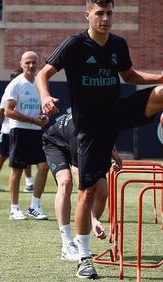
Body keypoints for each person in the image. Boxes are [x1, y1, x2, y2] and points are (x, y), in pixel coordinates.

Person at [36, 0, 163, 279]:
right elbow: (42, 74)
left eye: (109, 13)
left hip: (117, 111)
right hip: (89, 127)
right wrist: (45, 96)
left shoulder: (118, 44)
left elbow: (130, 76)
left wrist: (159, 78)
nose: (106, 18)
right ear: (88, 15)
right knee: (86, 192)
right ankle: (83, 256)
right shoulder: (74, 45)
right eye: (100, 13)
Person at [43, 112, 122, 261]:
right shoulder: (79, 131)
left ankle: (80, 238)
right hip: (55, 143)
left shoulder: (105, 119)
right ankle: (67, 245)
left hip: (86, 142)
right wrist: (92, 218)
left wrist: (112, 149)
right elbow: (81, 182)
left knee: (103, 190)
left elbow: (107, 131)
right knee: (65, 182)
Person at [4, 51, 49, 220]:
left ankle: (34, 206)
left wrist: (44, 117)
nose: (31, 65)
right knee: (17, 170)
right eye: (27, 62)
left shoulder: (39, 83)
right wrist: (32, 120)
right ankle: (14, 208)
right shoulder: (16, 84)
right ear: (21, 64)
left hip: (36, 131)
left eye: (33, 62)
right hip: (19, 131)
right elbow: (8, 111)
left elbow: (41, 108)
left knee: (44, 167)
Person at [0, 68, 34, 192]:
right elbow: (1, 112)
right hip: (9, 131)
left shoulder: (26, 89)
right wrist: (5, 125)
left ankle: (29, 183)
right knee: (2, 156)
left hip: (21, 129)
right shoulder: (9, 92)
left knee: (25, 157)